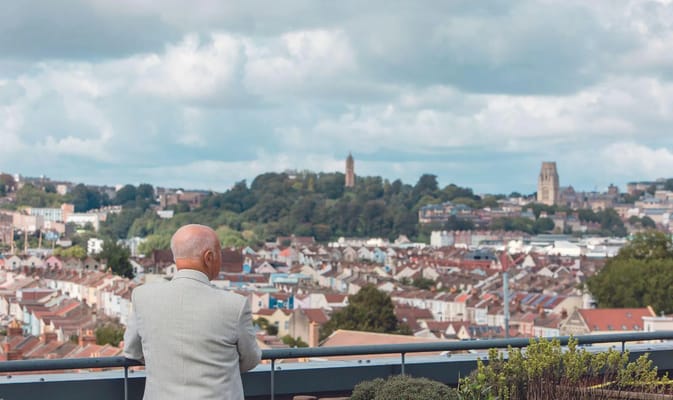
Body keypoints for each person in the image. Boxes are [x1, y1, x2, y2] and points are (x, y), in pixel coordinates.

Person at [124, 224, 261, 400]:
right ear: (209, 257)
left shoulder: (143, 296)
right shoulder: (235, 305)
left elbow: (132, 351)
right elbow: (251, 359)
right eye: (220, 253)